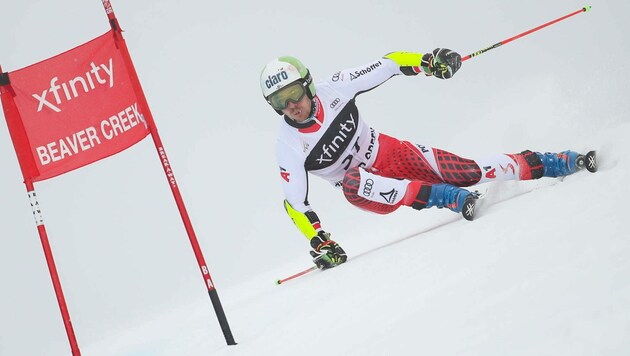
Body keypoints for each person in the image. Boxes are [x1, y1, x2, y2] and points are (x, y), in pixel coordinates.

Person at [259, 49, 595, 270]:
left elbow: (389, 64)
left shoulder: (337, 87)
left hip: (391, 152)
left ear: (308, 85)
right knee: (353, 179)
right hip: (367, 191)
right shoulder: (288, 144)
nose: (291, 106)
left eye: (293, 94)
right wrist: (320, 239)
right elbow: (294, 203)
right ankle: (447, 198)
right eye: (279, 102)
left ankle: (555, 162)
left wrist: (427, 61)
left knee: (467, 171)